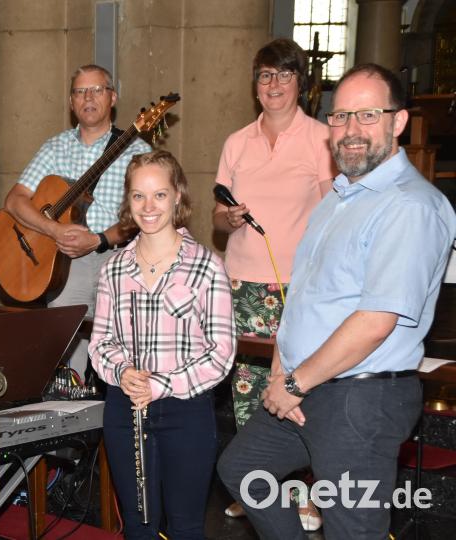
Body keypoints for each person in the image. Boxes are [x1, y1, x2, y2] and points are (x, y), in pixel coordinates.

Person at [217, 63, 456, 539]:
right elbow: (305, 296)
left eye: (367, 115)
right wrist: (283, 368)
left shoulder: (410, 206)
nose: (350, 130)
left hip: (360, 398)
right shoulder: (338, 199)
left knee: (352, 529)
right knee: (244, 468)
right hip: (309, 385)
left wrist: (297, 382)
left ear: (399, 122)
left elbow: (375, 320)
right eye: (340, 117)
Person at [212, 38, 334, 528]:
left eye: (284, 75)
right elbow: (218, 220)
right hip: (242, 285)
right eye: (265, 76)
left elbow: (334, 217)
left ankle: (305, 492)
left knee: (298, 392)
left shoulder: (322, 138)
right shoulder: (236, 142)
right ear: (255, 85)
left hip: (296, 288)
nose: (274, 85)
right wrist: (230, 217)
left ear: (301, 83)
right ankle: (255, 484)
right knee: (247, 392)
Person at [90, 150, 235, 539]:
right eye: (138, 196)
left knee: (187, 526)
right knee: (138, 526)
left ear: (177, 197)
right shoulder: (114, 269)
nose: (148, 206)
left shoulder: (207, 267)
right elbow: (101, 342)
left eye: (159, 194)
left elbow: (221, 354)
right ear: (128, 202)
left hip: (186, 410)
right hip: (126, 408)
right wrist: (122, 372)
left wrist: (160, 385)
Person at [4, 64, 152, 377]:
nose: (88, 97)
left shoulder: (137, 151)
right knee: (63, 355)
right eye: (80, 91)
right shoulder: (55, 147)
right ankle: (69, 419)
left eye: (97, 89)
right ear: (71, 102)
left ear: (112, 98)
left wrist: (99, 239)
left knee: (124, 353)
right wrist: (54, 230)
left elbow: (145, 216)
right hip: (64, 264)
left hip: (119, 260)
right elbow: (15, 201)